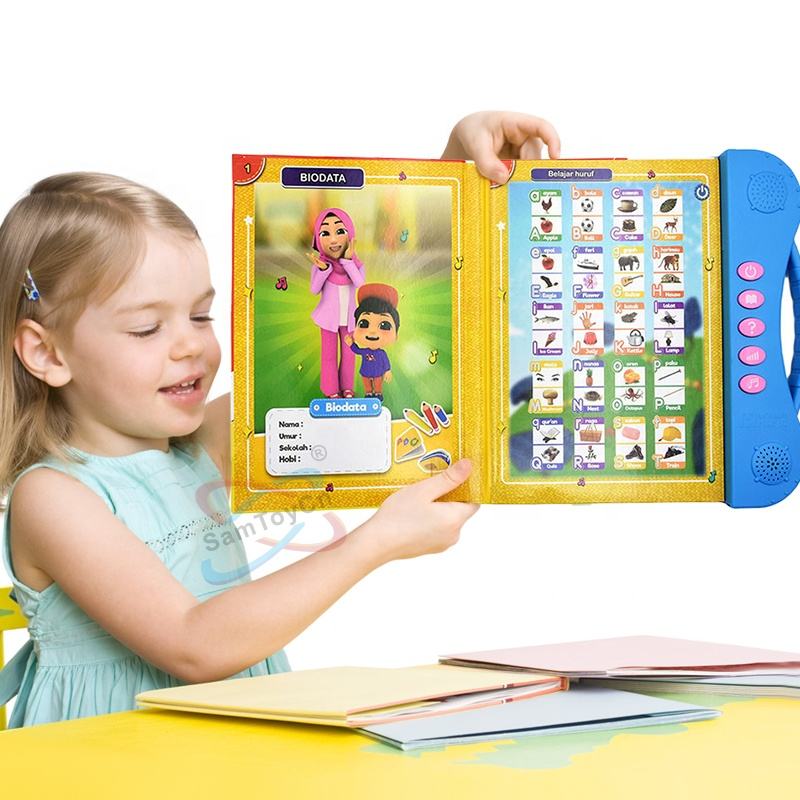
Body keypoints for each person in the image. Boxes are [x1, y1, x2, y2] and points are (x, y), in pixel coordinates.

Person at [0, 110, 560, 728]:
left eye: (200, 316)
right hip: (100, 769)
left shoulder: (195, 445)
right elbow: (195, 644)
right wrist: (373, 544)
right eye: (147, 327)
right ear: (46, 353)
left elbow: (360, 308)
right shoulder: (52, 497)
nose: (190, 346)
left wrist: (454, 172)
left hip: (225, 750)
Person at [305, 207, 364, 398]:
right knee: (328, 356)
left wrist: (348, 262)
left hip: (350, 320)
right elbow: (314, 290)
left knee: (349, 355)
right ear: (317, 239)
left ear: (350, 234)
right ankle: (331, 391)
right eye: (325, 233)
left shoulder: (356, 265)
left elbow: (361, 285)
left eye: (340, 231)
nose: (333, 240)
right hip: (328, 320)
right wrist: (323, 271)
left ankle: (347, 388)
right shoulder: (321, 265)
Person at [345, 283, 400, 401]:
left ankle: (378, 394)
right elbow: (357, 350)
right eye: (364, 323)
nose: (373, 332)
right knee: (367, 384)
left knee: (378, 384)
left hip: (378, 373)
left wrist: (388, 371)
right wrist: (351, 344)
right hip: (365, 371)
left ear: (396, 334)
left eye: (384, 325)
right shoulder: (365, 351)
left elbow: (386, 363)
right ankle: (369, 393)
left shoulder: (381, 353)